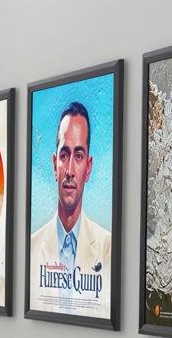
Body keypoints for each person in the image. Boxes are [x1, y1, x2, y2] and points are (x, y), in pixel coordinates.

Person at [29, 100, 111, 284]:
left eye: (79, 156)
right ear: (54, 165)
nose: (70, 171)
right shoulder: (30, 249)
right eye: (64, 155)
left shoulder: (108, 249)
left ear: (88, 168)